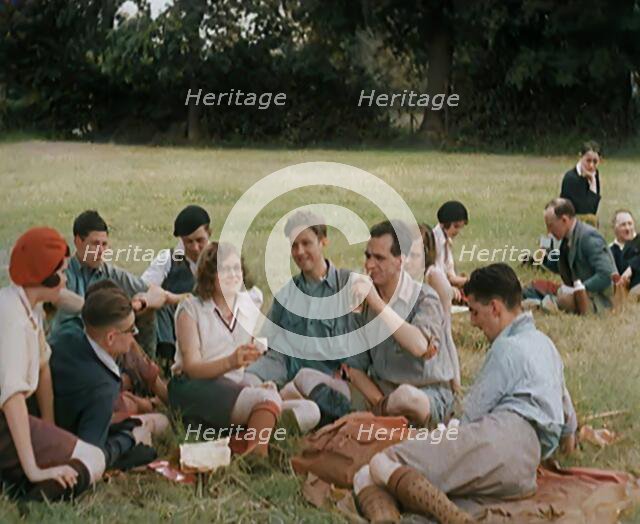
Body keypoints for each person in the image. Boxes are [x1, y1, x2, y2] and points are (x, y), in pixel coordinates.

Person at [354, 264, 577, 524]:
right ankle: (401, 516)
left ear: (495, 308)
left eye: (474, 311)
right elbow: (567, 419)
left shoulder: (506, 349)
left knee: (379, 464)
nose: (472, 321)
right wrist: (568, 452)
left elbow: (467, 419)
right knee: (405, 487)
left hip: (502, 438)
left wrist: (433, 437)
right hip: (524, 472)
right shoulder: (545, 344)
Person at [0, 227, 105, 502]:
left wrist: (50, 426)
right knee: (94, 458)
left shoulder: (26, 303)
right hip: (5, 420)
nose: (64, 280)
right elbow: (11, 399)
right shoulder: (13, 320)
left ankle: (23, 476)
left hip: (19, 411)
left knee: (74, 441)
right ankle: (34, 493)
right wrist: (34, 468)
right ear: (43, 277)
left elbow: (43, 366)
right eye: (60, 273)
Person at [169, 242, 302, 456]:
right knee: (266, 399)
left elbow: (256, 346)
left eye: (235, 268)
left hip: (233, 384)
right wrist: (232, 362)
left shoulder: (248, 304)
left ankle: (242, 434)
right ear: (209, 276)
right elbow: (192, 368)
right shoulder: (191, 309)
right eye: (224, 269)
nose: (232, 275)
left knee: (308, 410)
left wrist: (255, 355)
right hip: (194, 386)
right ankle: (256, 453)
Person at [332, 220, 458, 429]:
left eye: (379, 258)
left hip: (425, 394)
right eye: (368, 256)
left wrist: (377, 304)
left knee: (406, 397)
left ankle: (372, 421)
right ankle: (384, 420)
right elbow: (355, 369)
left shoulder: (425, 298)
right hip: (381, 394)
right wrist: (380, 402)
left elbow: (419, 345)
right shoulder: (363, 302)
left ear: (400, 261)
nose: (370, 265)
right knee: (307, 379)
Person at [245, 210, 370, 389]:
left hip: (329, 376)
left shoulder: (349, 286)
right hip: (286, 366)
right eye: (294, 245)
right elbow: (267, 338)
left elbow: (362, 345)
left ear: (323, 241)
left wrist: (350, 370)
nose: (299, 252)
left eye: (306, 243)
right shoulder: (287, 293)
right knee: (246, 380)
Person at [50, 282, 168, 470]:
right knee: (161, 422)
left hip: (46, 423)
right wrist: (129, 440)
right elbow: (91, 457)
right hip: (68, 439)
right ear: (111, 337)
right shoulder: (102, 387)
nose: (134, 335)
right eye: (131, 330)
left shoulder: (66, 336)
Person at [49, 210, 181, 358]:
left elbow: (157, 293)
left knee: (145, 313)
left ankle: (150, 369)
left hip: (106, 343)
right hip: (71, 345)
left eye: (104, 244)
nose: (101, 251)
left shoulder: (110, 272)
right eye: (95, 244)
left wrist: (141, 303)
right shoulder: (64, 274)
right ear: (78, 242)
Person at [542, 198, 617, 314]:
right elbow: (561, 268)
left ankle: (544, 303)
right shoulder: (566, 238)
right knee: (538, 288)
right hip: (576, 292)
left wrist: (580, 288)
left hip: (598, 299)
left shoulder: (589, 237)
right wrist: (544, 257)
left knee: (563, 300)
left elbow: (606, 274)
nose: (549, 231)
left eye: (551, 226)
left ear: (564, 220)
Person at [405, 223, 454, 317]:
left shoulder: (434, 278)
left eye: (414, 256)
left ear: (426, 255)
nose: (407, 261)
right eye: (404, 254)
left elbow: (444, 323)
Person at [560, 141, 602, 225]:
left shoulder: (594, 174)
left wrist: (593, 182)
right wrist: (593, 184)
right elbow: (586, 211)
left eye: (595, 161)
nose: (591, 165)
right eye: (588, 161)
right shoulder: (571, 178)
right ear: (580, 157)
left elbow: (593, 210)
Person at [433, 201, 469, 298]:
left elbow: (450, 275)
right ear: (445, 224)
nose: (457, 231)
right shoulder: (434, 243)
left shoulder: (447, 242)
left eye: (460, 227)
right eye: (456, 226)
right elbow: (436, 277)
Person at [609, 209, 640, 297]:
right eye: (623, 225)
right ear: (614, 227)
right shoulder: (610, 250)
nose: (627, 228)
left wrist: (630, 269)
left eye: (630, 224)